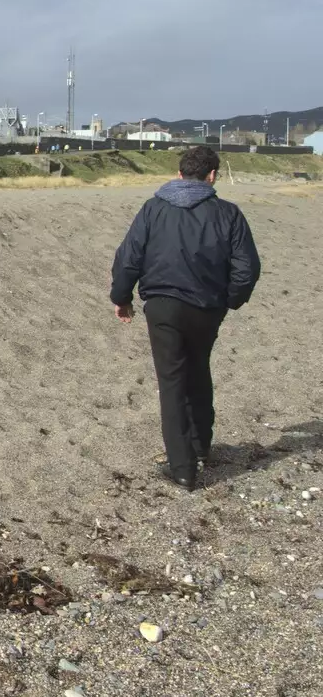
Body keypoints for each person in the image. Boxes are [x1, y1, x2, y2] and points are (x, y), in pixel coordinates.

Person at [110, 145, 261, 490]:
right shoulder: (226, 213)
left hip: (166, 306)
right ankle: (198, 448)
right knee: (197, 369)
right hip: (204, 306)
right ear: (211, 176)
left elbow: (128, 258)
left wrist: (121, 297)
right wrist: (229, 301)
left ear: (180, 174)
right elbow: (247, 268)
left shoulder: (154, 209)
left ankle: (183, 466)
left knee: (174, 381)